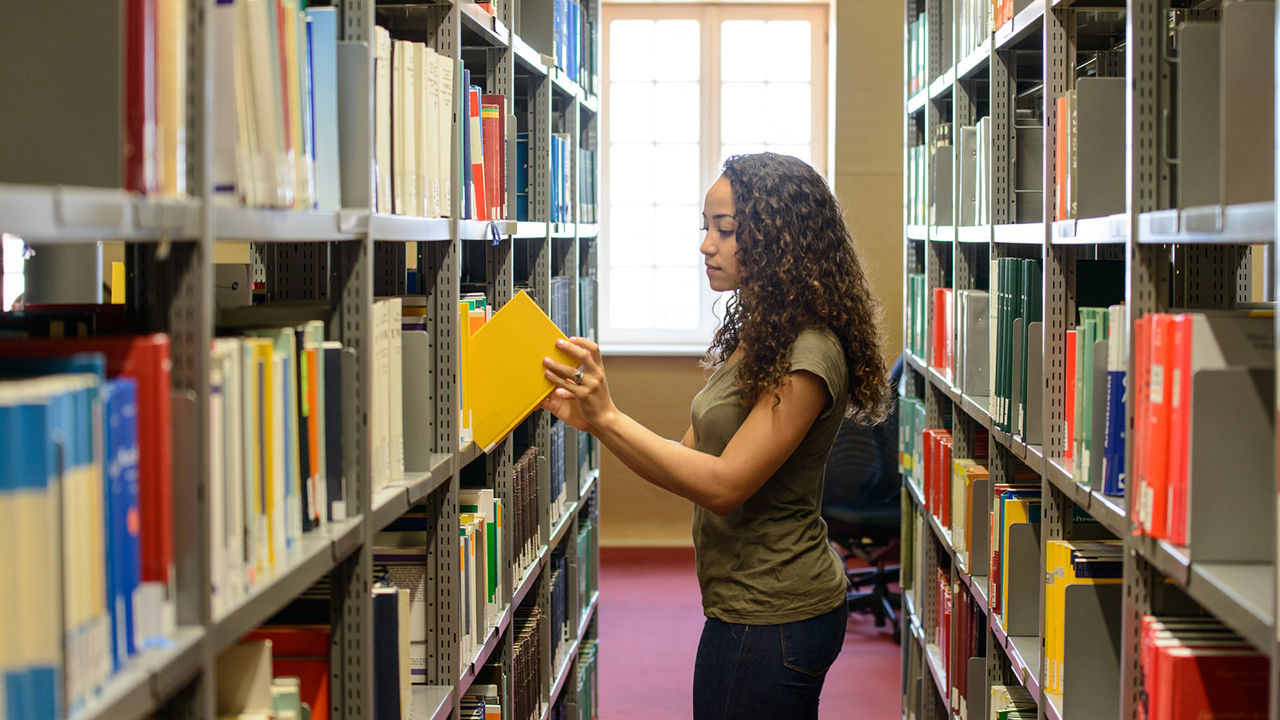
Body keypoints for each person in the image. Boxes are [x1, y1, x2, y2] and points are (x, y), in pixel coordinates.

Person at [540, 152, 888, 720]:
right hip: (748, 603)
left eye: (726, 231)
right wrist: (595, 421)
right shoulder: (764, 334)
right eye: (706, 228)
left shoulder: (808, 351)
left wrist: (608, 418)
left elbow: (726, 485)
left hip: (774, 611)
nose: (707, 245)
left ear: (780, 238)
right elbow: (688, 457)